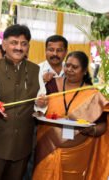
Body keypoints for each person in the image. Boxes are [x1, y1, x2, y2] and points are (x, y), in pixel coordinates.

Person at [33, 51, 108, 180]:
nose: (69, 70)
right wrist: (38, 104)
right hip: (47, 149)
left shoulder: (92, 95)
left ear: (84, 71)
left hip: (77, 156)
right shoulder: (51, 85)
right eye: (67, 65)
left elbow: (103, 125)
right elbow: (38, 111)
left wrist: (92, 130)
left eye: (75, 67)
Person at [0, 24, 47, 180]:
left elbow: (41, 99)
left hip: (23, 142)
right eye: (14, 42)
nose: (19, 47)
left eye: (23, 44)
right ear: (4, 44)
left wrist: (41, 104)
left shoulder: (36, 70)